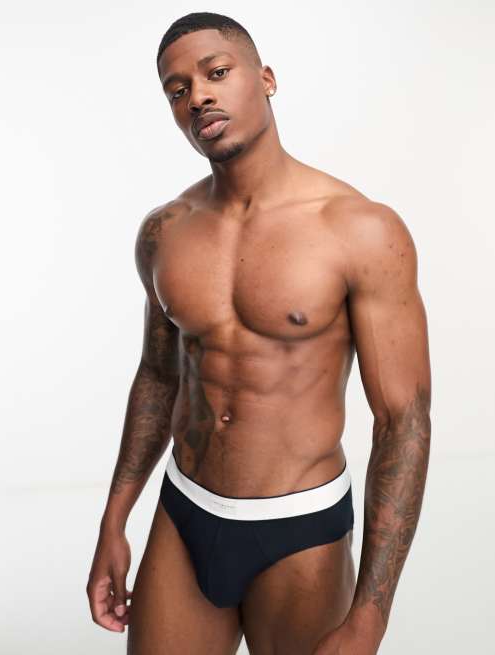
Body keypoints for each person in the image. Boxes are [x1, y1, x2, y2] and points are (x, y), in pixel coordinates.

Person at [86, 11, 432, 655]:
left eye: (216, 72)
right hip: (185, 512)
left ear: (266, 78)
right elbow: (158, 376)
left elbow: (402, 422)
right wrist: (114, 519)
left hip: (300, 529)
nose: (198, 96)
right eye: (177, 89)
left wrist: (371, 615)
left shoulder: (361, 230)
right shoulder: (165, 231)